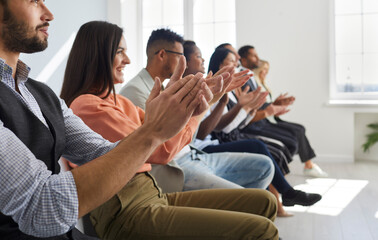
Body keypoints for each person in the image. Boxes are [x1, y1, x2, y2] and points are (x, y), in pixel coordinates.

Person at [0, 1, 228, 239]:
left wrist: (174, 118)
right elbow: (43, 205)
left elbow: (104, 152)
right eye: (32, 0)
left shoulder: (43, 94)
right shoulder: (86, 104)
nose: (49, 14)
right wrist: (154, 131)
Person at [61, 21, 279, 240]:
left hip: (150, 192)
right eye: (120, 52)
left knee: (265, 201)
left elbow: (165, 136)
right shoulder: (89, 106)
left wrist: (204, 103)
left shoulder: (116, 101)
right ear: (97, 56)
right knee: (263, 229)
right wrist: (202, 106)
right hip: (129, 210)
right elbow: (163, 150)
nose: (128, 60)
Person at [121, 29, 274, 193]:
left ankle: (232, 213)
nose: (184, 62)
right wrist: (209, 101)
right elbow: (165, 146)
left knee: (265, 167)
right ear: (162, 55)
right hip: (176, 166)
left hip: (194, 155)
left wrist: (214, 98)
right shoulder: (135, 91)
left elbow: (189, 139)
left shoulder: (165, 87)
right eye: (180, 56)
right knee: (255, 199)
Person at [198, 46, 321, 216]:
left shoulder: (234, 88)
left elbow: (234, 123)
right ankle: (279, 199)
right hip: (219, 140)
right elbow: (222, 128)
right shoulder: (214, 89)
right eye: (232, 62)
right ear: (220, 64)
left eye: (236, 62)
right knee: (263, 147)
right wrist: (246, 108)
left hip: (230, 133)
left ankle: (280, 198)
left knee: (283, 141)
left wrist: (250, 110)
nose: (236, 65)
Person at [237, 45, 328, 177]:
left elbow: (258, 105)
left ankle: (290, 173)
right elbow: (250, 108)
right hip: (256, 124)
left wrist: (276, 105)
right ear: (243, 60)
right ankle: (284, 179)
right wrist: (272, 109)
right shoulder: (243, 80)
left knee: (296, 134)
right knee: (291, 140)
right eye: (253, 55)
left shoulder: (250, 78)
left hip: (263, 120)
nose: (258, 58)